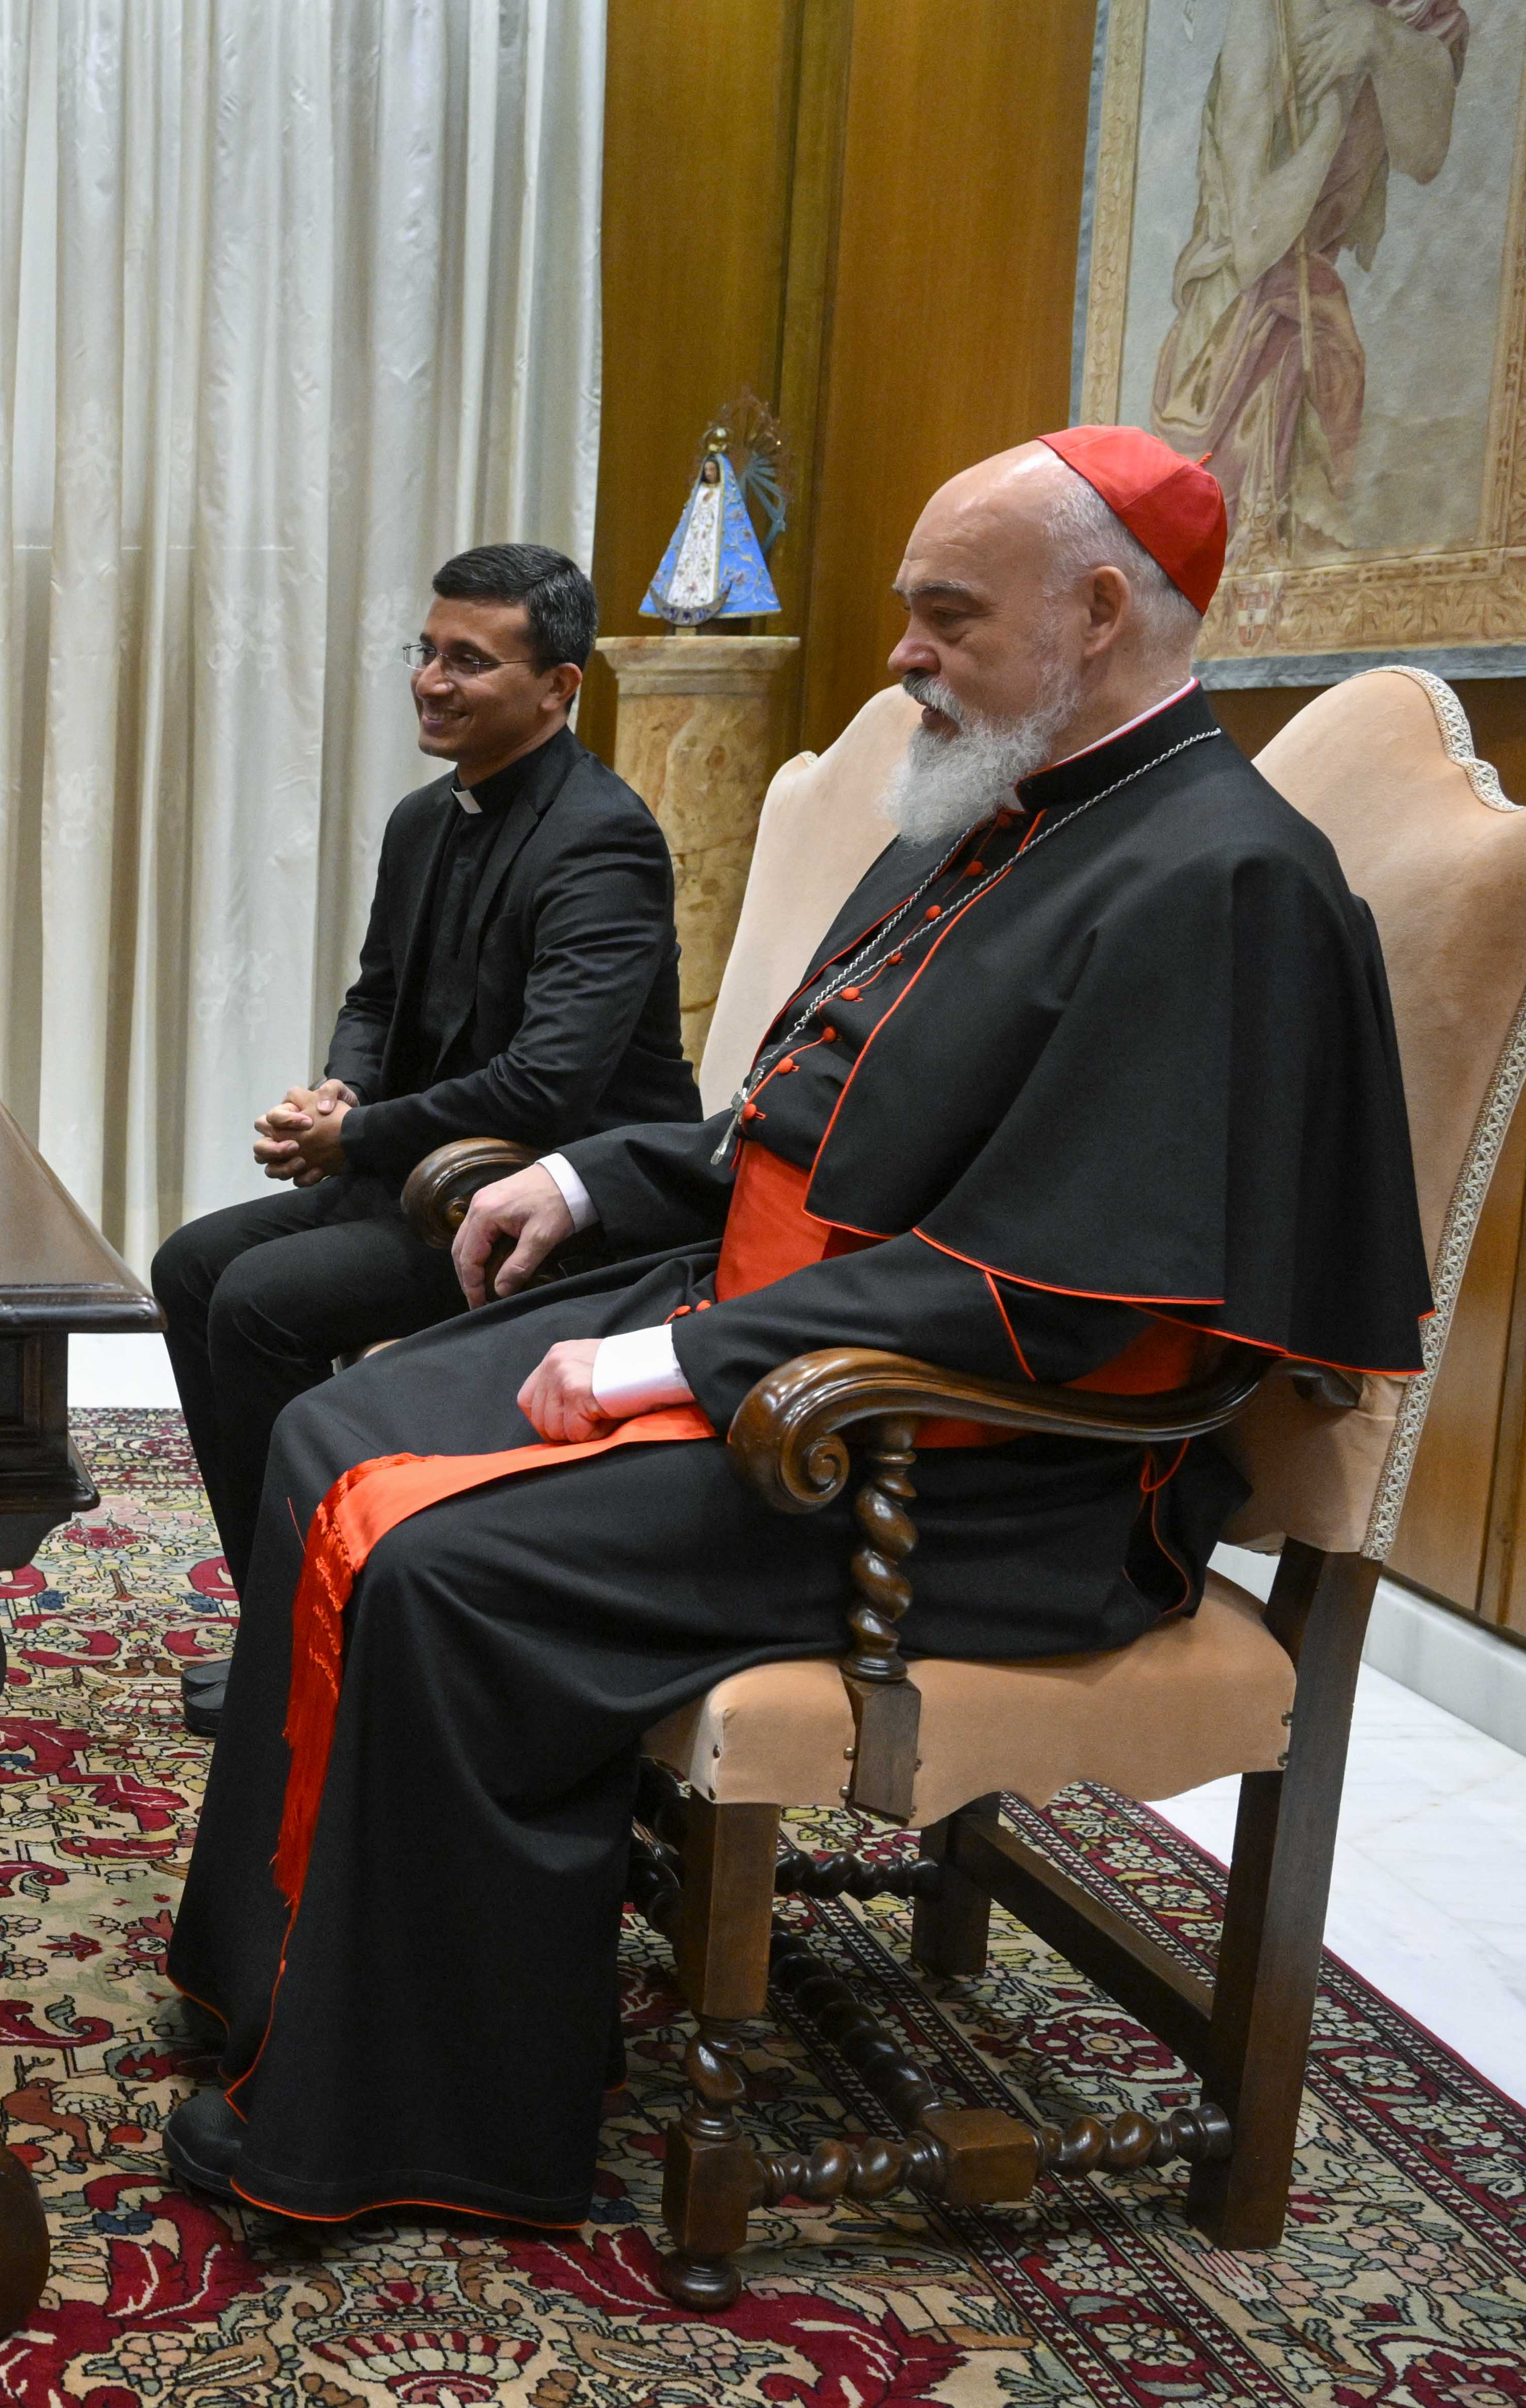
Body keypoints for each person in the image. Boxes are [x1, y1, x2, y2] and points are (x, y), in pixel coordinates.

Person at [161, 429, 1434, 2226]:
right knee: (326, 1432)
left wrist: (664, 1359)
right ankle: (270, 1984)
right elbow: (805, 1119)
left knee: (441, 1559)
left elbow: (1067, 1293)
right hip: (800, 1355)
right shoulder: (998, 806)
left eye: (940, 615)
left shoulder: (1220, 879)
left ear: (1091, 609)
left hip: (977, 1464)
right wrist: (594, 1186)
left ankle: (416, 2117)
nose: (899, 654)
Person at [154, 544, 694, 1737]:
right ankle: (287, 1621)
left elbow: (551, 1085)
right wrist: (338, 1093)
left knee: (259, 1303)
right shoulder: (423, 819)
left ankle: (321, 1634)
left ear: (558, 686)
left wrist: (356, 1142)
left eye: (469, 660)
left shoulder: (602, 837)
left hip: (564, 1202)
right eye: (426, 651)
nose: (431, 681)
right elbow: (376, 989)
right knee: (190, 1266)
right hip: (438, 1175)